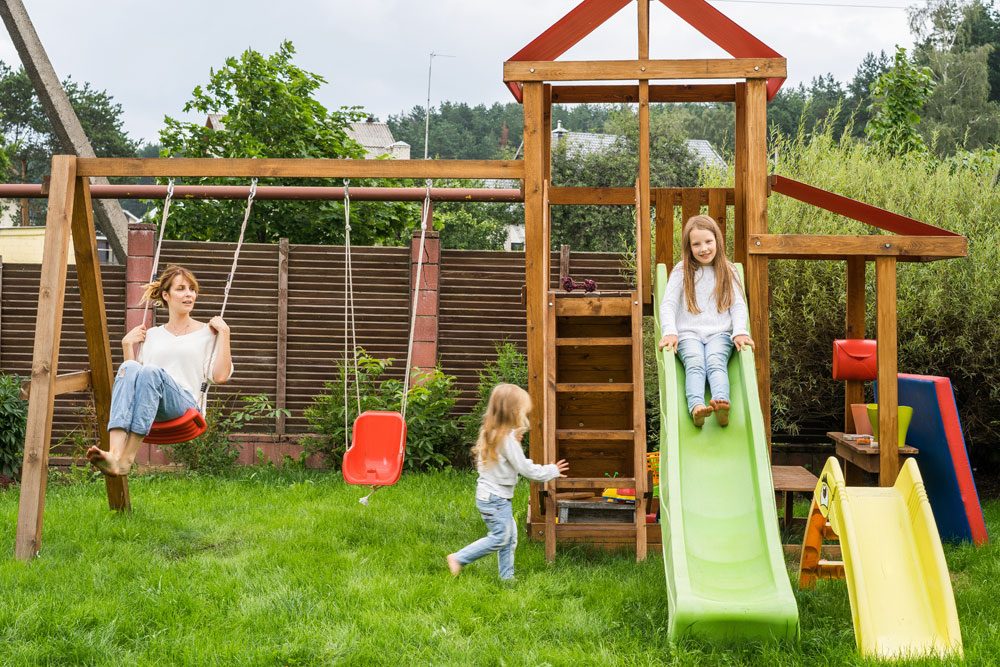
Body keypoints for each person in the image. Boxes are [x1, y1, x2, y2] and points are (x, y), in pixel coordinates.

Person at [86, 265, 233, 476]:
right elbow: (134, 382)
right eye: (181, 289)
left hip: (185, 405)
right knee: (130, 367)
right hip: (151, 408)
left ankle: (127, 459)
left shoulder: (207, 333)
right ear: (166, 295)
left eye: (192, 289)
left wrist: (225, 334)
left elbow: (220, 376)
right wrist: (127, 346)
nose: (189, 294)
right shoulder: (152, 335)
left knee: (151, 372)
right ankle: (115, 455)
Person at [446, 384, 568, 581]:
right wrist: (551, 471)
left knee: (510, 538)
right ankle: (459, 558)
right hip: (495, 499)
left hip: (491, 497)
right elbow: (524, 468)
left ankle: (507, 578)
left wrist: (515, 440)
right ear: (513, 411)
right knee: (501, 537)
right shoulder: (506, 440)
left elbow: (512, 461)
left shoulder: (493, 432)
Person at [658, 215, 754, 427]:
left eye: (708, 242)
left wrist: (740, 330)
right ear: (689, 247)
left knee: (715, 362)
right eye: (696, 244)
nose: (704, 248)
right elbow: (668, 305)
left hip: (719, 333)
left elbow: (738, 305)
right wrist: (670, 331)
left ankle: (721, 403)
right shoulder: (682, 271)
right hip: (687, 334)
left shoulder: (728, 270)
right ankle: (697, 408)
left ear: (717, 241)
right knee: (695, 363)